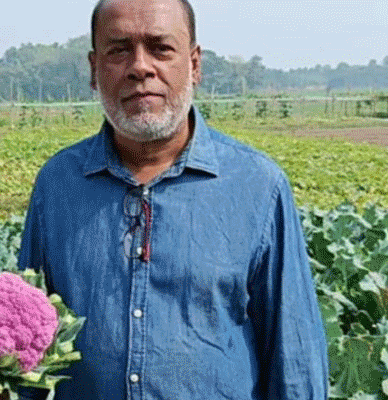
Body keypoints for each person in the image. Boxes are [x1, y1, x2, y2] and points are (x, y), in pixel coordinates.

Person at [17, 0, 329, 399]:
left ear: (194, 64)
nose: (140, 67)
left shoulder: (258, 186)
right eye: (119, 50)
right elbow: (29, 345)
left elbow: (294, 356)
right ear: (94, 70)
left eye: (161, 48)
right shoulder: (57, 184)